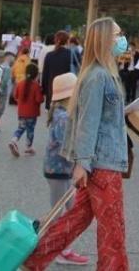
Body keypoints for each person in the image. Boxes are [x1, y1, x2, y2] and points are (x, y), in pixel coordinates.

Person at [23, 17, 130, 270]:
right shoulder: (98, 76)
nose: (121, 39)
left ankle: (33, 259)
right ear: (104, 39)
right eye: (117, 34)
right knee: (113, 227)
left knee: (77, 218)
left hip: (100, 160)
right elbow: (88, 122)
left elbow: (98, 119)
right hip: (102, 162)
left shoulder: (102, 74)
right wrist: (82, 163)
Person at [41, 72, 90, 266]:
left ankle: (59, 247)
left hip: (59, 170)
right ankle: (57, 249)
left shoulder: (62, 115)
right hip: (59, 171)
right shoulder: (63, 118)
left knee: (66, 209)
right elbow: (67, 146)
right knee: (60, 211)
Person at [9, 63, 43, 157]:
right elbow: (39, 99)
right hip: (32, 113)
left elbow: (15, 96)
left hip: (21, 112)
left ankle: (14, 140)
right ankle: (29, 147)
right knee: (30, 130)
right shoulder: (36, 86)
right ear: (36, 75)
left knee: (21, 128)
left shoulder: (20, 84)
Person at [42, 31, 76, 110]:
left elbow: (45, 75)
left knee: (52, 115)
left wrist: (44, 90)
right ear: (67, 41)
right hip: (67, 90)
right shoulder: (70, 54)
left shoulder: (49, 55)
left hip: (52, 90)